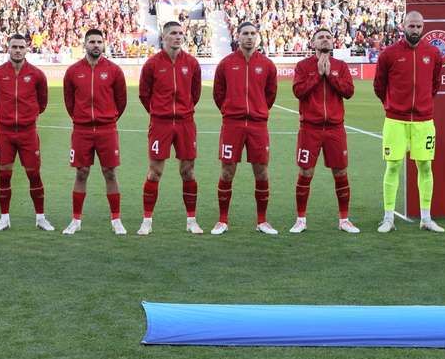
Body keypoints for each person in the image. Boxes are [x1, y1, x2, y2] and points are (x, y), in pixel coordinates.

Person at [373, 11, 444, 233]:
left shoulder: (433, 53)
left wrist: (422, 104)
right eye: (411, 26)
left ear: (423, 28)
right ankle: (388, 218)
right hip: (395, 120)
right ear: (403, 26)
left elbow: (435, 84)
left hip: (424, 121)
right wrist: (392, 104)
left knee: (425, 166)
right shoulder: (389, 54)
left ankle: (426, 218)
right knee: (393, 165)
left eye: (419, 26)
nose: (415, 30)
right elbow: (379, 85)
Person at [211, 21, 278, 235]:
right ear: (237, 36)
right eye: (245, 34)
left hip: (258, 125)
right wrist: (231, 111)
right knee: (227, 171)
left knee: (261, 172)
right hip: (232, 124)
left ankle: (262, 221)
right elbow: (218, 94)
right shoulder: (226, 64)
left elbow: (270, 95)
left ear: (257, 37)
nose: (249, 37)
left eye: (252, 34)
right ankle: (222, 220)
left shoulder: (267, 65)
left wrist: (258, 110)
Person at [137, 20, 203, 235]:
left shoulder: (191, 63)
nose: (177, 37)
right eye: (173, 33)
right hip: (161, 123)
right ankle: (147, 220)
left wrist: (183, 111)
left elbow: (195, 94)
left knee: (188, 171)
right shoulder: (152, 64)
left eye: (180, 33)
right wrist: (159, 112)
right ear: (163, 37)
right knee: (155, 172)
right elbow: (144, 95)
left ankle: (191, 220)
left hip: (185, 123)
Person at [290, 29, 358, 233]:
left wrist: (329, 75)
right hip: (310, 128)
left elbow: (349, 92)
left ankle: (344, 219)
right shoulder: (303, 66)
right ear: (313, 43)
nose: (325, 39)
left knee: (340, 172)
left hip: (335, 129)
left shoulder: (341, 66)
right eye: (320, 37)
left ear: (333, 42)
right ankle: (301, 219)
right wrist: (317, 75)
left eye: (328, 37)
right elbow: (298, 91)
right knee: (305, 171)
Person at [62, 29, 127, 235]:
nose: (96, 45)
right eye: (92, 41)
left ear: (104, 44)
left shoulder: (114, 70)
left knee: (109, 172)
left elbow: (121, 101)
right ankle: (76, 220)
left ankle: (116, 220)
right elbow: (69, 102)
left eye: (99, 41)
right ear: (85, 44)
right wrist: (81, 118)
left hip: (107, 129)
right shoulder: (73, 71)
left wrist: (108, 117)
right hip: (82, 130)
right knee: (81, 173)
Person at [0, 34, 52, 232]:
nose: (17, 50)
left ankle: (40, 218)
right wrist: (4, 116)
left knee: (34, 175)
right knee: (4, 176)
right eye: (14, 46)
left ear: (26, 49)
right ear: (8, 48)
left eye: (21, 47)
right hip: (5, 133)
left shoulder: (37, 74)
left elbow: (42, 103)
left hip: (28, 133)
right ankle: (4, 218)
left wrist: (27, 117)